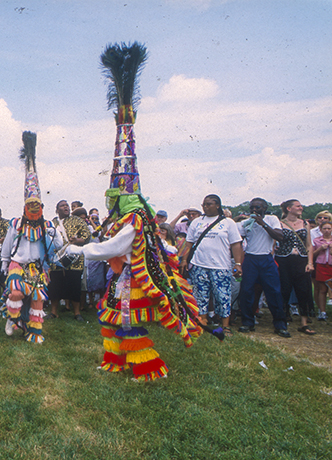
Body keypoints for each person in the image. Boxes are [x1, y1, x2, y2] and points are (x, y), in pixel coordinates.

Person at [64, 42, 202, 381]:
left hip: (131, 281)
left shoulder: (134, 220)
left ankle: (149, 367)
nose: (111, 200)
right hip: (118, 279)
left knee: (127, 325)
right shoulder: (125, 218)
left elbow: (116, 247)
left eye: (115, 195)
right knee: (110, 322)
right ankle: (115, 361)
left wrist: (80, 249)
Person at [0, 131, 61, 343]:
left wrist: (52, 232)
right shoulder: (16, 224)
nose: (33, 208)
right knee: (16, 294)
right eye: (30, 205)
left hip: (37, 267)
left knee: (37, 299)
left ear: (42, 207)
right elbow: (7, 248)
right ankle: (12, 319)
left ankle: (34, 331)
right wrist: (4, 264)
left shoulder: (48, 225)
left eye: (37, 205)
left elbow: (58, 244)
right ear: (25, 206)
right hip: (18, 264)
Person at [180, 194, 243, 337]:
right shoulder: (197, 222)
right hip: (198, 264)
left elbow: (236, 244)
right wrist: (184, 260)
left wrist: (238, 264)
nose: (206, 207)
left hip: (221, 266)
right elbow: (188, 243)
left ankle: (225, 325)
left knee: (222, 296)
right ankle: (203, 322)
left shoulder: (228, 223)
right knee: (201, 295)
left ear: (218, 205)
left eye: (209, 204)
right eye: (204, 205)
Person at [236, 198, 291, 337]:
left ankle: (280, 324)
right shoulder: (246, 223)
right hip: (250, 258)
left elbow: (280, 236)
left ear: (264, 208)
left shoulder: (272, 219)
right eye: (252, 207)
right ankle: (247, 322)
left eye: (258, 207)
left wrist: (263, 224)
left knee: (274, 291)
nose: (254, 210)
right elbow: (237, 240)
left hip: (266, 258)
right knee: (247, 291)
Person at [276, 199, 316, 334]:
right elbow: (274, 243)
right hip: (283, 259)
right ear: (288, 208)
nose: (301, 208)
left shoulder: (305, 224)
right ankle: (282, 319)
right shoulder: (280, 223)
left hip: (301, 260)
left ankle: (304, 323)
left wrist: (310, 263)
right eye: (298, 206)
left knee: (303, 289)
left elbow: (309, 245)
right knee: (284, 289)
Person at [48, 200, 90, 321]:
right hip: (57, 259)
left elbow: (86, 236)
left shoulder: (77, 221)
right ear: (57, 210)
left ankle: (77, 313)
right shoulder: (52, 223)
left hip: (75, 259)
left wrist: (77, 241)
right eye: (62, 205)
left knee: (74, 285)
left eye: (67, 205)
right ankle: (54, 312)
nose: (66, 207)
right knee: (55, 286)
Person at [312, 221, 332, 321]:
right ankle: (322, 311)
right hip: (321, 265)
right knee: (322, 289)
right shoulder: (316, 240)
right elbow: (313, 254)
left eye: (329, 228)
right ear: (320, 230)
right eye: (325, 228)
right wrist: (320, 248)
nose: (327, 231)